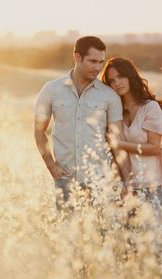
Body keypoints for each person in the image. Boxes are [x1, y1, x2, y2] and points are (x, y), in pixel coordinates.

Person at [34, 37, 130, 212]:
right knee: (68, 237)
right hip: (66, 180)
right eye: (93, 61)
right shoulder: (51, 89)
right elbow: (39, 131)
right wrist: (51, 166)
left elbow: (118, 141)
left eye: (101, 62)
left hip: (101, 181)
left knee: (100, 237)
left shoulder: (109, 96)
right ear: (77, 57)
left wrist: (125, 183)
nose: (98, 67)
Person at [102, 57, 162, 225]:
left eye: (120, 77)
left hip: (149, 184)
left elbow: (154, 148)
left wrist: (119, 144)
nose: (117, 83)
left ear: (130, 76)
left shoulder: (150, 107)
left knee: (151, 241)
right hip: (122, 185)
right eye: (112, 80)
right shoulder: (114, 112)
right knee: (130, 243)